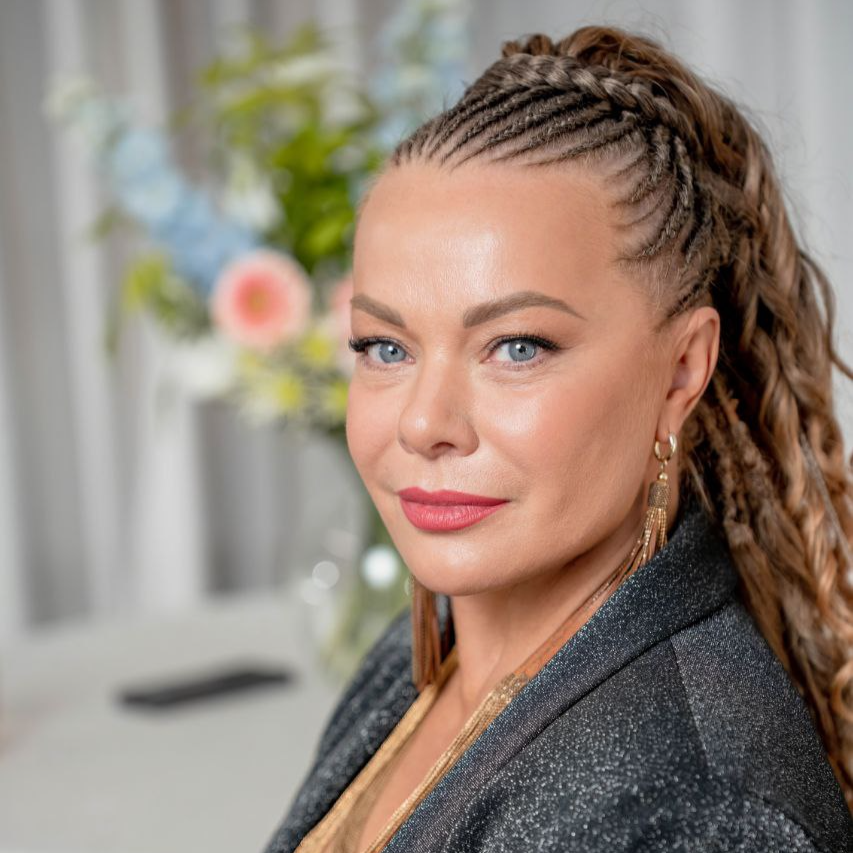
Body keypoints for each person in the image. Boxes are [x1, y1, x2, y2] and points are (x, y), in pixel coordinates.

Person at [262, 24, 853, 853]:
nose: (423, 423)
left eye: (517, 347)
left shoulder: (694, 814)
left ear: (681, 371)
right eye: (385, 347)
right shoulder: (433, 646)